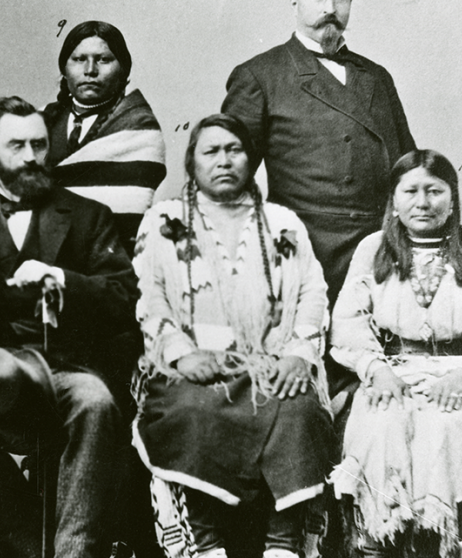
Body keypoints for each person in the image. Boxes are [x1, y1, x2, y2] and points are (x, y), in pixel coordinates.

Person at [0, 96, 138, 558]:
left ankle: (73, 551)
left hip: (65, 370)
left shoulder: (88, 217)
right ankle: (30, 541)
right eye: (16, 145)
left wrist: (63, 279)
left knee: (95, 403)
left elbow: (122, 298)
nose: (30, 157)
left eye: (39, 144)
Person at [131, 114, 334, 558]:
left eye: (234, 150)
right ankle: (204, 545)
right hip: (193, 364)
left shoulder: (282, 221)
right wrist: (181, 354)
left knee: (298, 409)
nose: (224, 160)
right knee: (191, 409)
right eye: (211, 151)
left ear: (251, 159)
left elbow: (312, 292)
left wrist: (299, 354)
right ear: (192, 162)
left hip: (269, 363)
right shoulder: (163, 220)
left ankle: (284, 545)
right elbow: (148, 295)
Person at [329, 149, 462, 558]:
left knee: (448, 424)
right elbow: (349, 320)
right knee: (380, 423)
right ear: (394, 200)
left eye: (434, 191)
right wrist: (375, 369)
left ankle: (454, 542)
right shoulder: (374, 249)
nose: (422, 202)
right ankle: (379, 539)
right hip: (394, 371)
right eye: (411, 191)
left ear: (452, 198)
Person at [220, 0, 415, 331]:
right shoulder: (260, 75)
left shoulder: (377, 77)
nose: (330, 8)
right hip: (305, 252)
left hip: (378, 252)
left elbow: (409, 168)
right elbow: (227, 176)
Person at [43, 20, 166, 256]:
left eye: (103, 59)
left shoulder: (138, 127)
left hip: (112, 260)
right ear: (64, 69)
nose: (90, 70)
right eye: (79, 59)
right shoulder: (40, 122)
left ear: (123, 70)